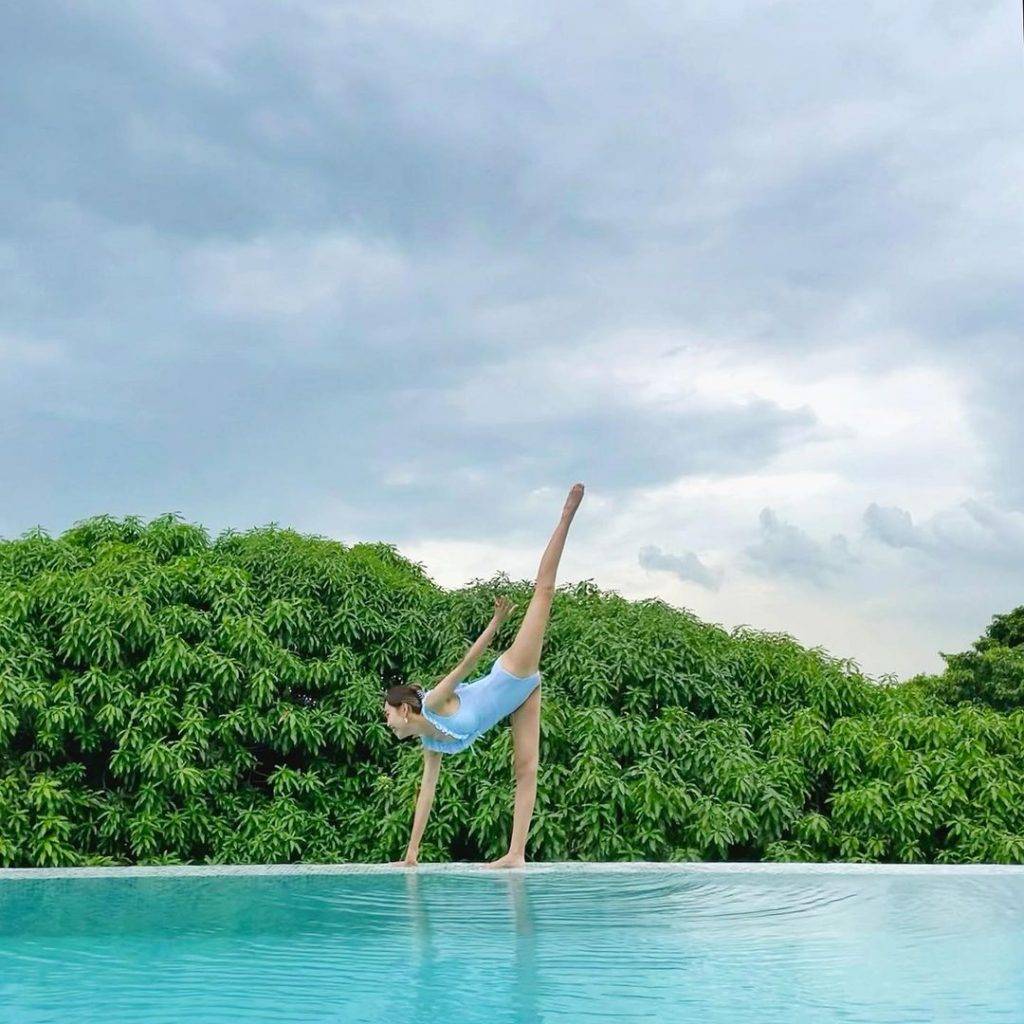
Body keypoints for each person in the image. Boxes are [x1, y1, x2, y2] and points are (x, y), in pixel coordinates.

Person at [383, 482, 586, 868]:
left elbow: (466, 666)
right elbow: (426, 795)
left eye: (387, 713)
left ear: (404, 711)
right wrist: (410, 855)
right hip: (525, 696)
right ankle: (516, 854)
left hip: (513, 675)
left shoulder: (435, 702)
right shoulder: (434, 746)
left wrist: (495, 622)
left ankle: (566, 515)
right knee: (525, 769)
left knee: (542, 592)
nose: (386, 720)